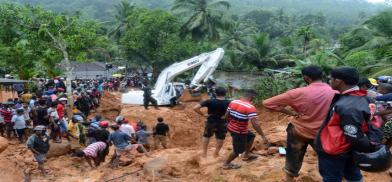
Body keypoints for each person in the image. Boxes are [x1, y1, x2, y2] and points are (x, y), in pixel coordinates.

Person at [263, 65, 336, 182]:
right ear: (322, 76)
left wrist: (290, 112)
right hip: (321, 133)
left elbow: (267, 103)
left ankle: (289, 179)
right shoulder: (335, 92)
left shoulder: (297, 92)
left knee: (293, 156)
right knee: (326, 158)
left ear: (306, 78)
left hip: (298, 131)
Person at [315, 67, 377, 182]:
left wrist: (366, 147)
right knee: (353, 175)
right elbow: (373, 123)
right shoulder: (365, 98)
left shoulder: (347, 106)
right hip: (351, 148)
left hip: (337, 150)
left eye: (331, 79)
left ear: (339, 81)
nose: (329, 81)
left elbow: (353, 133)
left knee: (332, 178)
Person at [223, 89, 270, 169]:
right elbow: (255, 124)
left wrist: (230, 124)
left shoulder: (234, 102)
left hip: (231, 127)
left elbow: (226, 115)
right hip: (239, 131)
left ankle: (247, 154)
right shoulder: (250, 107)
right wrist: (263, 135)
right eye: (254, 97)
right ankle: (226, 164)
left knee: (251, 136)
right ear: (252, 97)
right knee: (237, 151)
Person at [193, 87, 231, 158]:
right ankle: (216, 153)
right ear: (225, 93)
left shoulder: (209, 101)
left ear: (215, 93)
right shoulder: (229, 102)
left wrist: (203, 115)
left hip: (211, 121)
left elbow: (195, 108)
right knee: (220, 138)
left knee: (206, 136)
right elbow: (233, 111)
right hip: (222, 122)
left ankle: (204, 153)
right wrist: (226, 116)